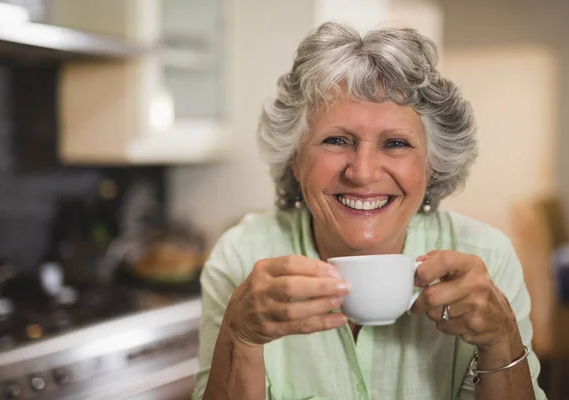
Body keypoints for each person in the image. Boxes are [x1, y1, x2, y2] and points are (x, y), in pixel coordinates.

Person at [192, 22, 547, 400]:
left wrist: (501, 340)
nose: (362, 173)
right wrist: (241, 336)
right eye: (336, 140)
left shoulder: (488, 256)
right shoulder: (241, 255)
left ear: (432, 166)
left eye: (395, 143)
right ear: (295, 159)